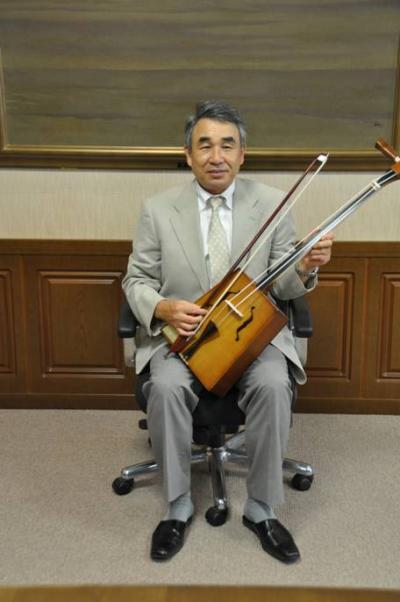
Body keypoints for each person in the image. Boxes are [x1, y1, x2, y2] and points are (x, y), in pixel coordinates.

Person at [122, 100, 333, 563]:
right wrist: (162, 307)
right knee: (165, 386)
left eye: (227, 145)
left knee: (275, 383)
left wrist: (304, 265)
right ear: (189, 153)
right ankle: (177, 506)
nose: (216, 156)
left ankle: (261, 509)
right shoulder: (157, 210)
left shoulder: (274, 202)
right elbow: (135, 280)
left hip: (251, 337)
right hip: (183, 339)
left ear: (242, 154)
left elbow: (283, 284)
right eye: (205, 145)